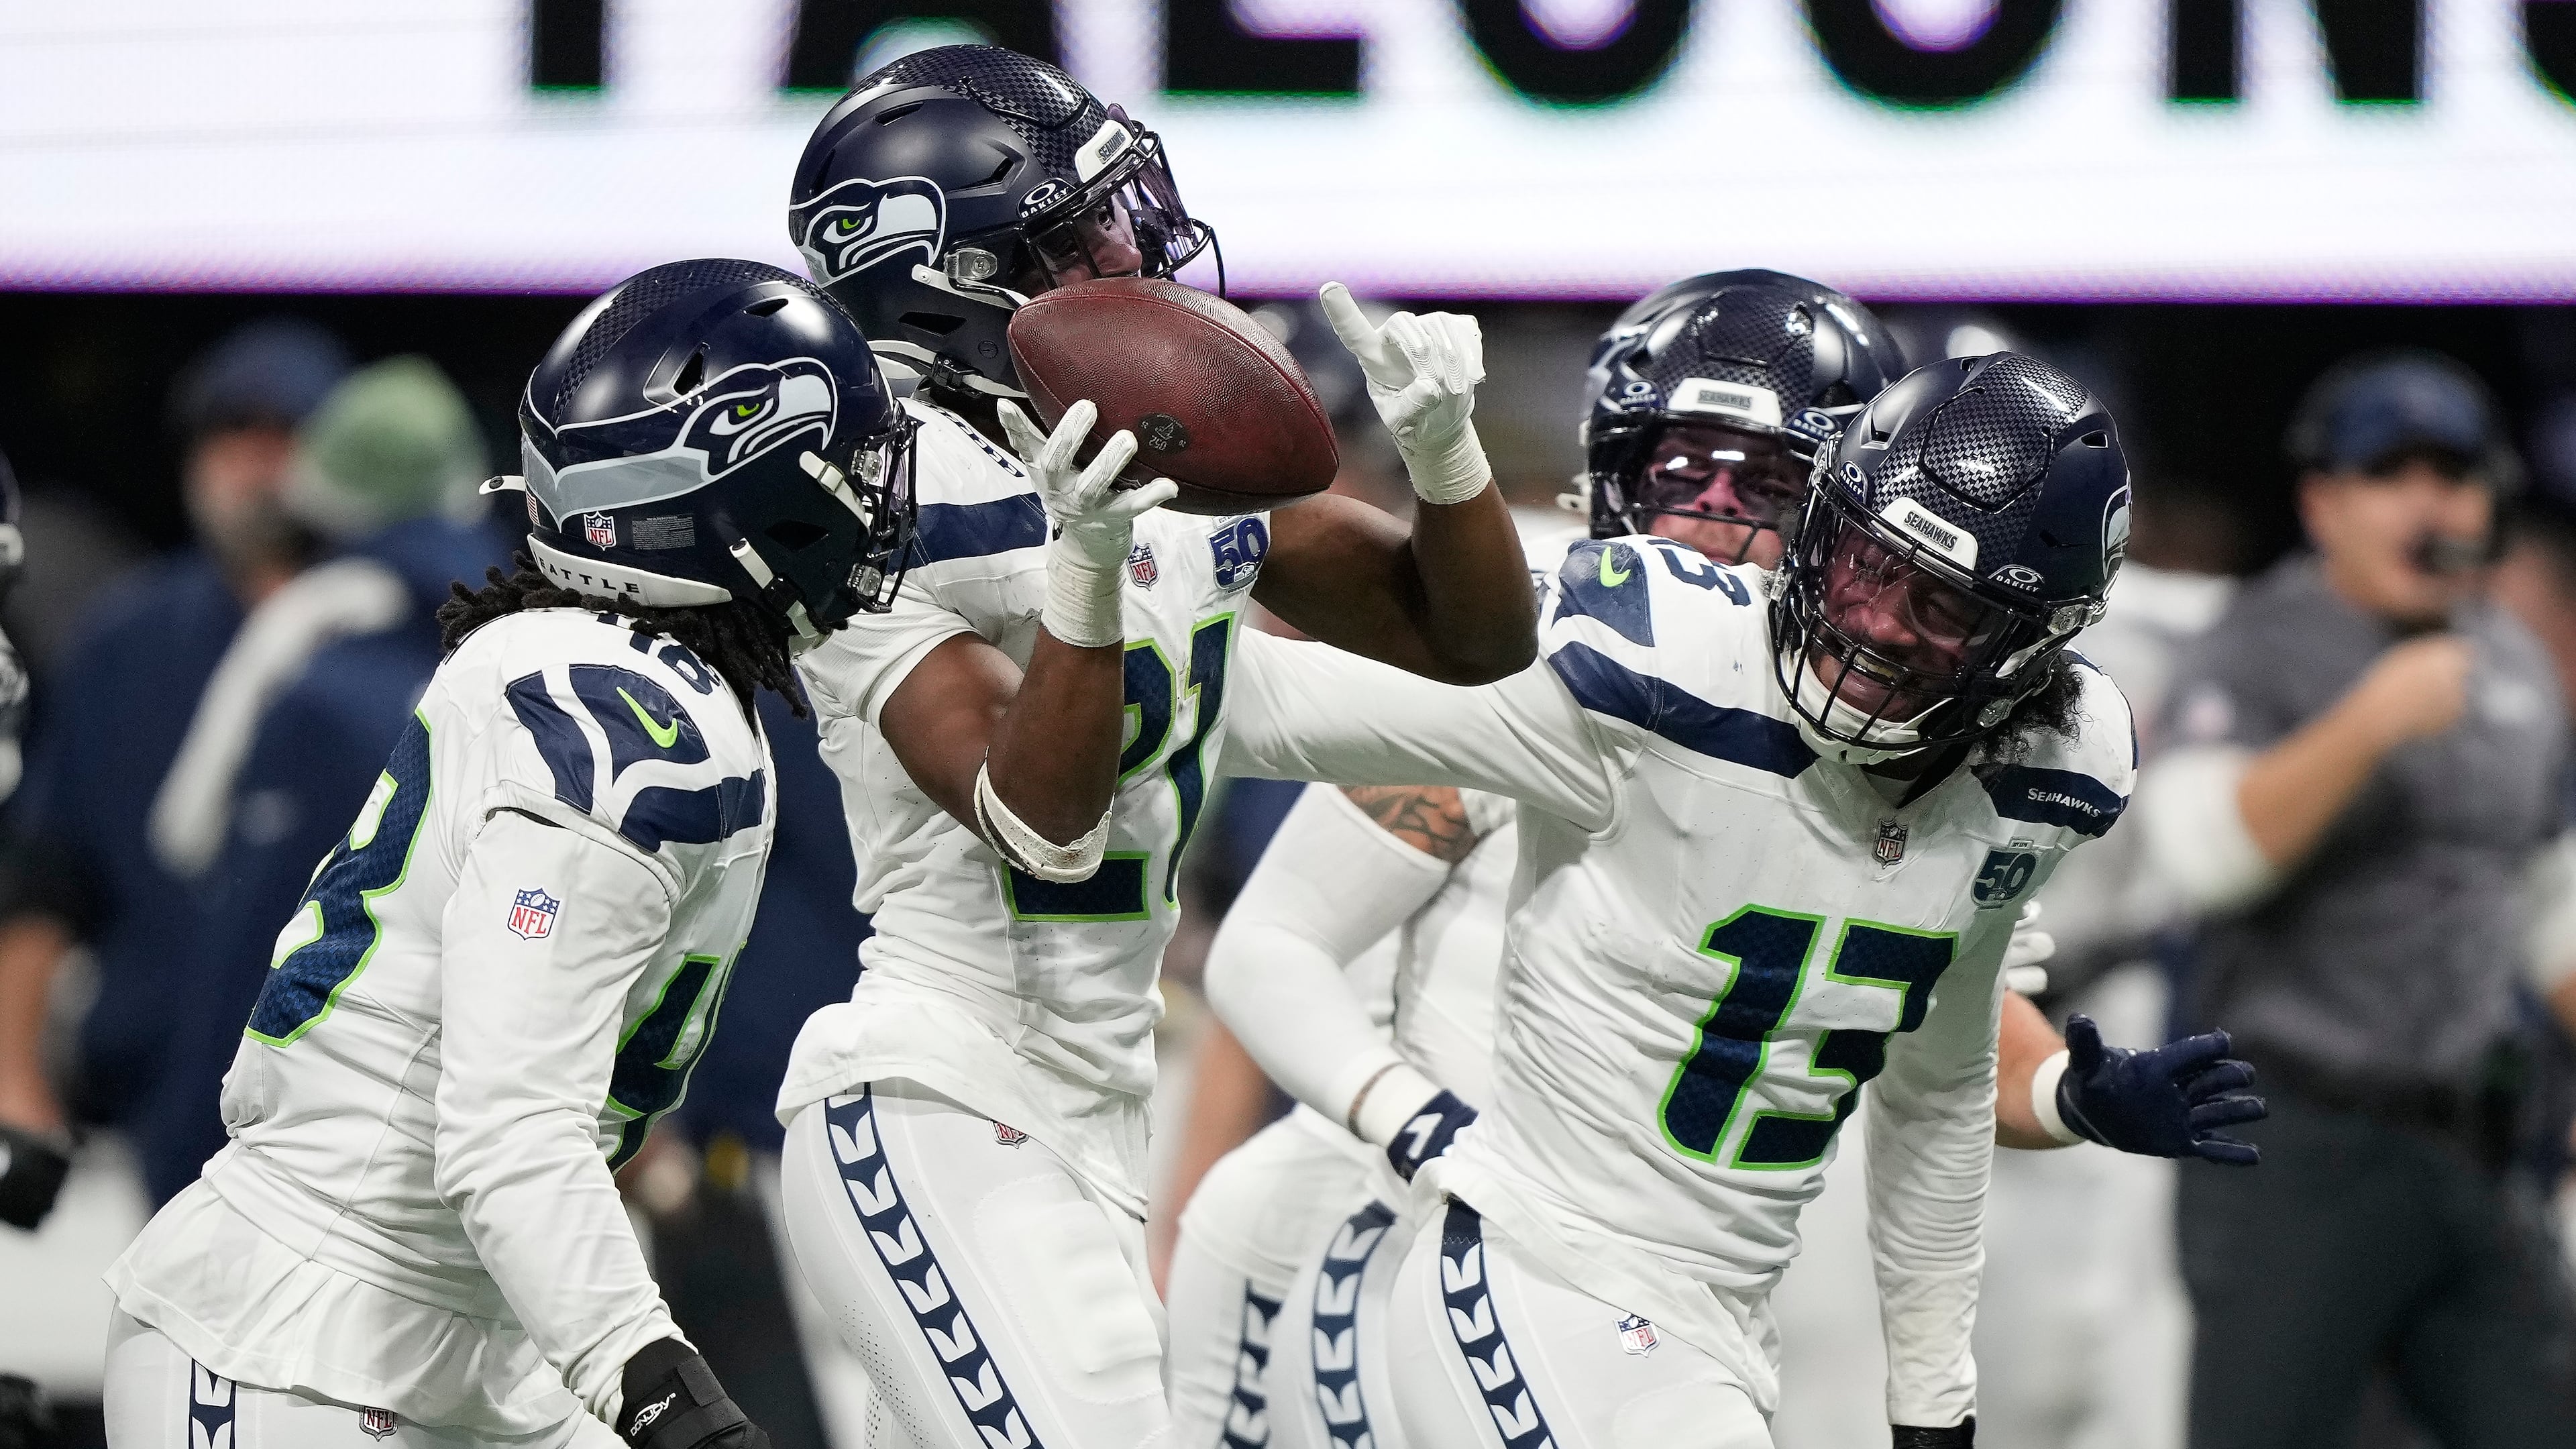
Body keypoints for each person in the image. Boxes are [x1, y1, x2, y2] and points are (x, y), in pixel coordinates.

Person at [1165, 278, 2260, 1449]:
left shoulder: (1996, 766)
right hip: (1427, 1219)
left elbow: (1936, 1043)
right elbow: (1269, 845)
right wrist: (1098, 584)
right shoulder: (1609, 666)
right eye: (1686, 469)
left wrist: (2064, 1099)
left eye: (1767, 485)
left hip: (1702, 1287)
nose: (1717, 521)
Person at [769, 45, 1538, 1449]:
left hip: (1103, 1107)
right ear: (953, 278)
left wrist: (1446, 460)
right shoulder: (878, 500)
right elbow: (1040, 819)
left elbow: (1469, 640)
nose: (1137, 249)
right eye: (1082, 232)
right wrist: (1084, 570)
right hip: (945, 1091)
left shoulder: (1156, 452)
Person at [97, 260, 917, 1449]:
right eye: (838, 460)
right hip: (303, 1338)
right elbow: (509, 1128)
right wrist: (667, 1391)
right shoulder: (631, 717)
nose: (869, 497)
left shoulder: (611, 661)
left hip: (464, 1330)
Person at [2140, 350, 2576, 1446]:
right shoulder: (2259, 646)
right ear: (2323, 502)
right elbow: (2204, 857)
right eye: (2394, 473)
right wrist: (2368, 722)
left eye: (2456, 474)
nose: (2431, 503)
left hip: (2471, 1140)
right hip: (2298, 1145)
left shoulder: (2512, 661)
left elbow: (2546, 900)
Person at [136, 356, 506, 1205]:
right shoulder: (545, 649)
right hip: (487, 1152)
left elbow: (212, 873)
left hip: (316, 1157)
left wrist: (182, 1155)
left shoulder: (316, 674)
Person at [0, 319, 350, 1220]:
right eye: (232, 433)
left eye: (286, 433)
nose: (258, 462)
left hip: (362, 1121)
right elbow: (48, 882)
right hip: (158, 1112)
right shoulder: (130, 641)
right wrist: (14, 1085)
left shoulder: (410, 626)